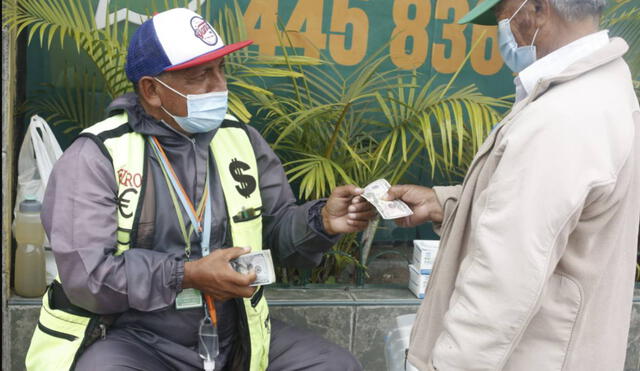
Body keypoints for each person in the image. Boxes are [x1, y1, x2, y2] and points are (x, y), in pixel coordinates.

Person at [24, 8, 374, 371]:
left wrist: (322, 222)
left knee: (336, 365)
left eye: (221, 69)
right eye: (200, 75)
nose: (220, 86)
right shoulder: (97, 156)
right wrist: (186, 275)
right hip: (133, 336)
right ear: (152, 90)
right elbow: (88, 278)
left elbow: (277, 230)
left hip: (235, 333)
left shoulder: (241, 140)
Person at [383, 0, 640, 370]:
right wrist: (448, 203)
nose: (502, 32)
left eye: (502, 17)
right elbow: (556, 221)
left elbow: (502, 281)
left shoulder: (562, 119)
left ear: (536, 8)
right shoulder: (606, 90)